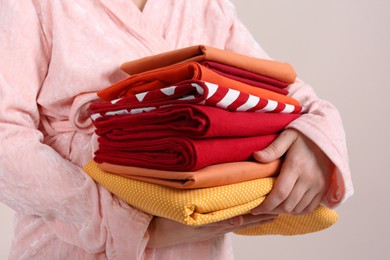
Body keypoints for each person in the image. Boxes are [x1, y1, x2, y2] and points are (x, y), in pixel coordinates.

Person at [0, 0, 353, 259]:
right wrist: (124, 222)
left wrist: (314, 137)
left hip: (197, 248)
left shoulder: (204, 6)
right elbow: (5, 137)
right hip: (69, 248)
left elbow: (283, 93)